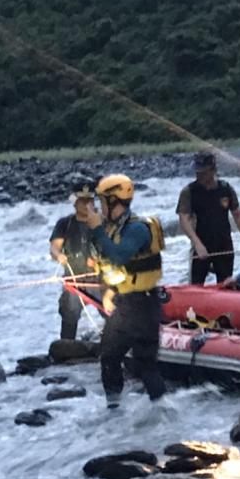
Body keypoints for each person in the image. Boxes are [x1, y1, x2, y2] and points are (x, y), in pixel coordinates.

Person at [85, 174, 167, 408]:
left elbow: (119, 256)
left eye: (102, 202)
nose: (99, 207)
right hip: (133, 303)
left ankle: (121, 409)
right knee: (126, 360)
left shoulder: (138, 228)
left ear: (113, 201)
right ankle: (132, 409)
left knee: (125, 359)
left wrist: (98, 230)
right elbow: (116, 267)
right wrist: (110, 291)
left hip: (139, 306)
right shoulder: (116, 229)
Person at [176, 151, 240, 285]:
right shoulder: (189, 192)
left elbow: (237, 214)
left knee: (225, 284)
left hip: (224, 244)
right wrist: (197, 244)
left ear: (213, 170)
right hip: (200, 245)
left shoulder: (226, 188)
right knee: (196, 286)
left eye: (202, 172)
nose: (198, 175)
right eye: (197, 171)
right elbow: (184, 220)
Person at [49, 184, 99, 340]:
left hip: (99, 280)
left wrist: (100, 262)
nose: (86, 205)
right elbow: (54, 248)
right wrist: (58, 256)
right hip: (73, 282)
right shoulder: (64, 224)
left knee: (114, 313)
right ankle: (67, 347)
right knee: (69, 314)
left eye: (89, 201)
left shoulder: (103, 223)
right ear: (75, 203)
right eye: (82, 201)